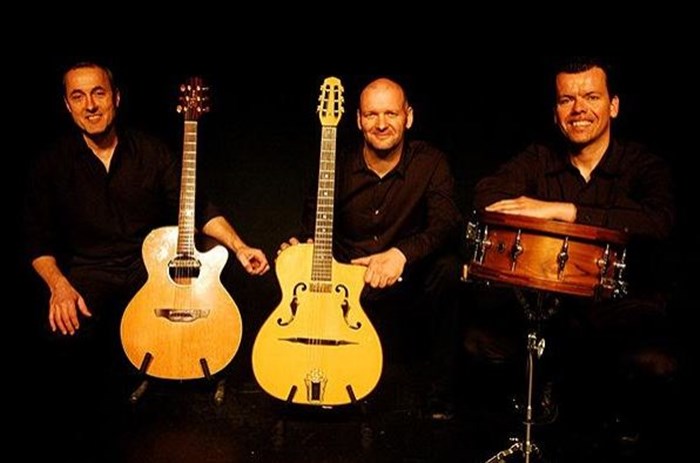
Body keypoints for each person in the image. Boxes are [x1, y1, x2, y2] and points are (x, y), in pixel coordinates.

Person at [23, 61, 270, 461]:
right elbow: (37, 240)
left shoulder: (151, 152)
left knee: (210, 296)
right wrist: (59, 285)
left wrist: (240, 247)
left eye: (98, 93)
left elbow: (198, 208)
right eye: (78, 96)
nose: (90, 105)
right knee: (66, 343)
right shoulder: (51, 165)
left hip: (148, 266)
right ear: (67, 106)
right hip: (91, 272)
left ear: (116, 98)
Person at [465, 56, 683, 455]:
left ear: (613, 106)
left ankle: (616, 418)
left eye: (591, 97)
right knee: (479, 342)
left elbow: (658, 221)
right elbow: (486, 195)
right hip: (548, 310)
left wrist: (567, 211)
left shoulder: (643, 165)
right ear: (556, 113)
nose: (578, 108)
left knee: (656, 365)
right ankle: (542, 402)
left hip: (621, 312)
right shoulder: (538, 158)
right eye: (567, 100)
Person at [278, 77, 464, 420]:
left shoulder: (431, 163)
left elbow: (446, 224)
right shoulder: (334, 164)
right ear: (358, 120)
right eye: (372, 114)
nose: (381, 124)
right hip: (348, 287)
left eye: (390, 113)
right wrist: (299, 250)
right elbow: (312, 227)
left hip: (406, 280)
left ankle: (439, 396)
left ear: (408, 117)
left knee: (449, 270)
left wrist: (400, 255)